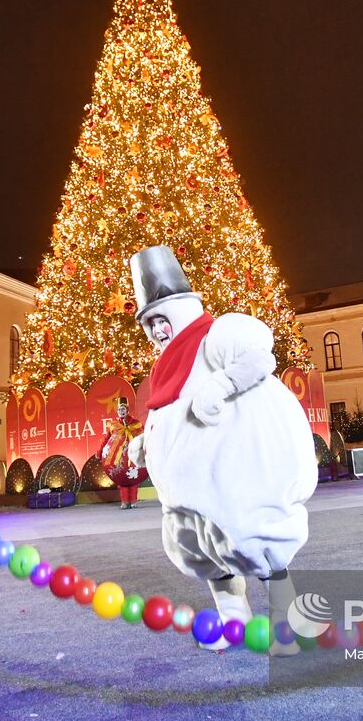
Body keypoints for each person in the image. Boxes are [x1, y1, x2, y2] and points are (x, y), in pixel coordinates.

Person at [125, 245, 317, 654]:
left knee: (254, 543)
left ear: (181, 311)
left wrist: (221, 385)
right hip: (189, 498)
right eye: (151, 323)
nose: (159, 330)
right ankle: (234, 622)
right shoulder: (165, 364)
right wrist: (147, 443)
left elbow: (257, 358)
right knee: (202, 551)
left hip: (234, 484)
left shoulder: (216, 335)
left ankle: (292, 623)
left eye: (163, 319)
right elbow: (169, 411)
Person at [98, 397, 148, 509]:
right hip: (118, 459)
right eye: (120, 410)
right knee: (121, 477)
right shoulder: (113, 425)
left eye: (123, 409)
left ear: (127, 410)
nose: (122, 411)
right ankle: (125, 501)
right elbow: (106, 439)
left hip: (133, 456)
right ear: (117, 411)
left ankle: (134, 500)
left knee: (134, 476)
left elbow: (144, 437)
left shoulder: (137, 424)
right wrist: (99, 451)